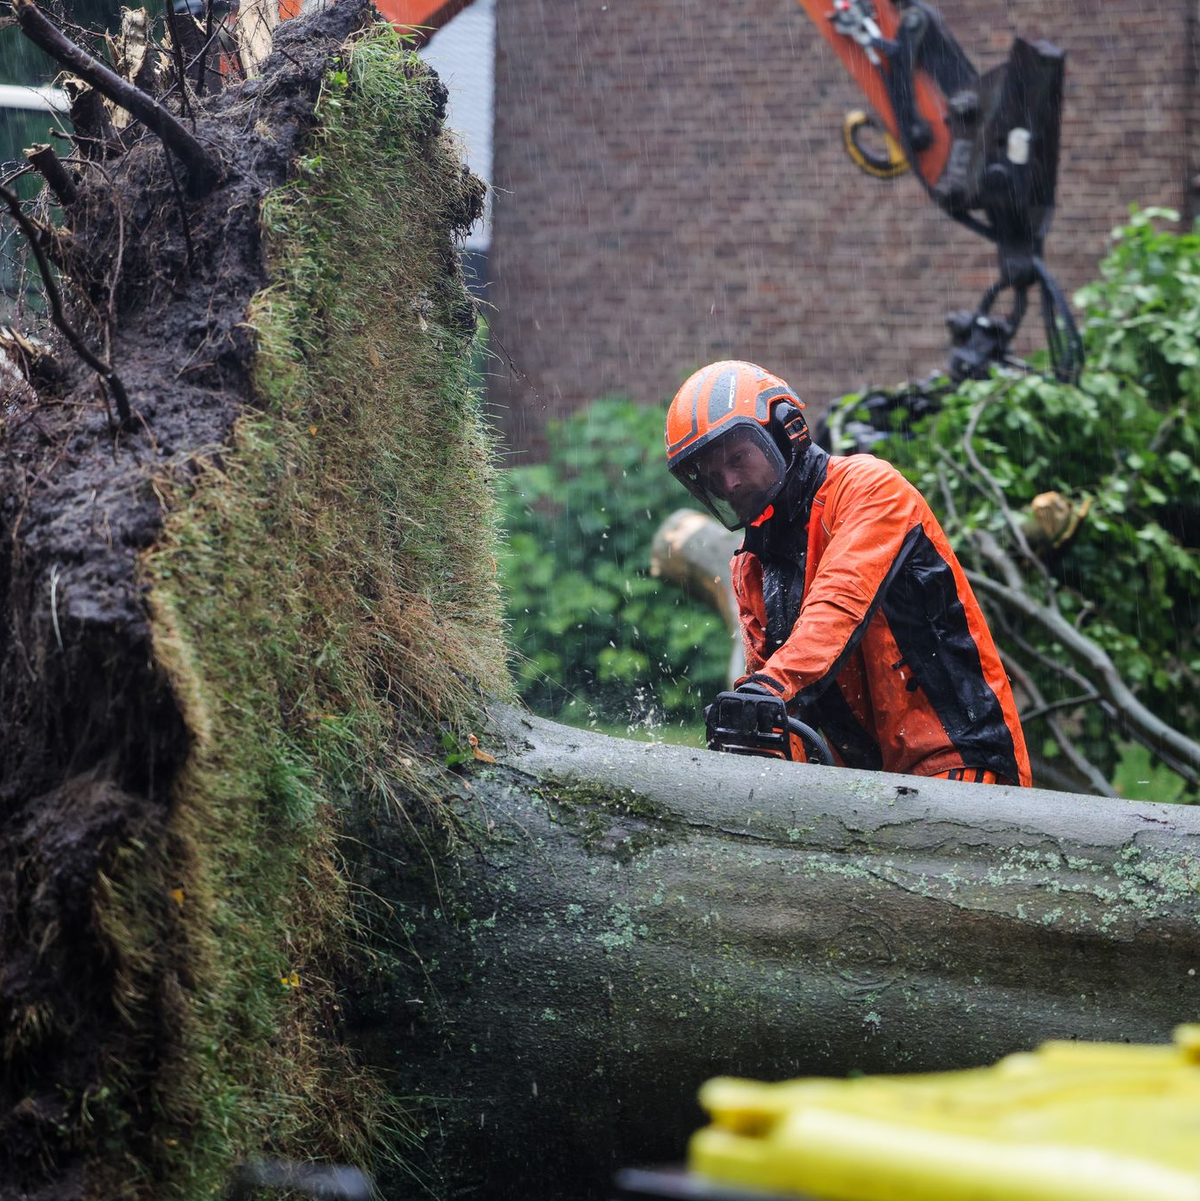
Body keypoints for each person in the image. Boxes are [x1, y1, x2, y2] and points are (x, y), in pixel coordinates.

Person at [665, 359, 1031, 785]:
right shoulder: (751, 566)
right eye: (712, 475)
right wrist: (753, 737)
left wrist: (767, 690)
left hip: (964, 759)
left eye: (738, 458)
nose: (728, 483)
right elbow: (787, 710)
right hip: (868, 785)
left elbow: (838, 604)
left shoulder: (868, 487)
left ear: (785, 429)